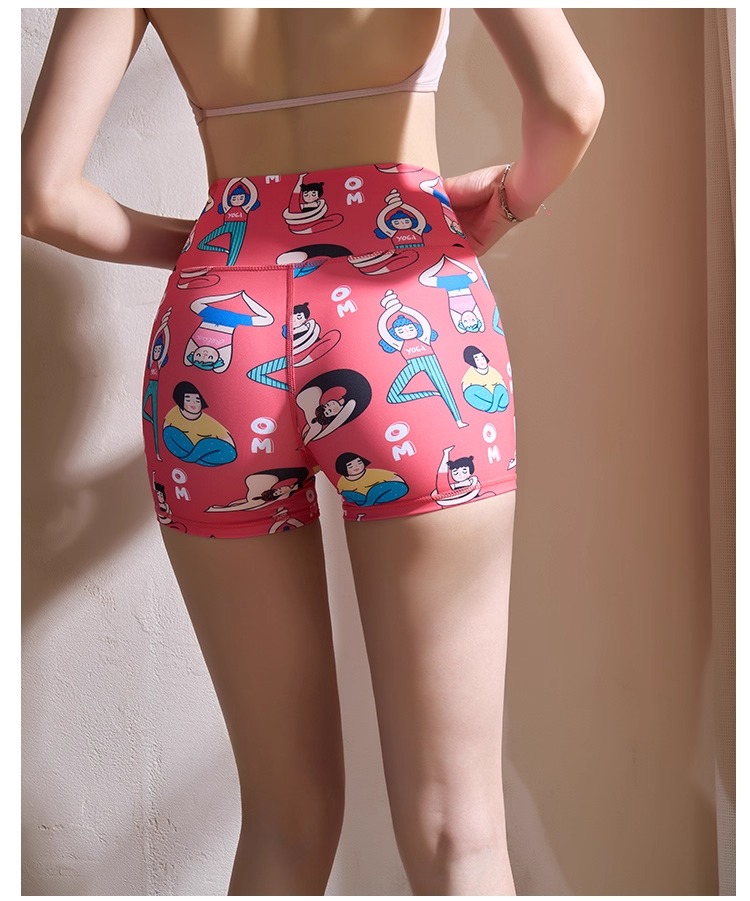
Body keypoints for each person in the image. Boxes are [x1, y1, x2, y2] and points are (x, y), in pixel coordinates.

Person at [21, 8, 604, 896]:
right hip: (410, 316)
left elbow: (44, 194)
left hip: (218, 332)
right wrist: (507, 203)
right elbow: (570, 103)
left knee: (283, 821)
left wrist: (217, 250)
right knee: (458, 829)